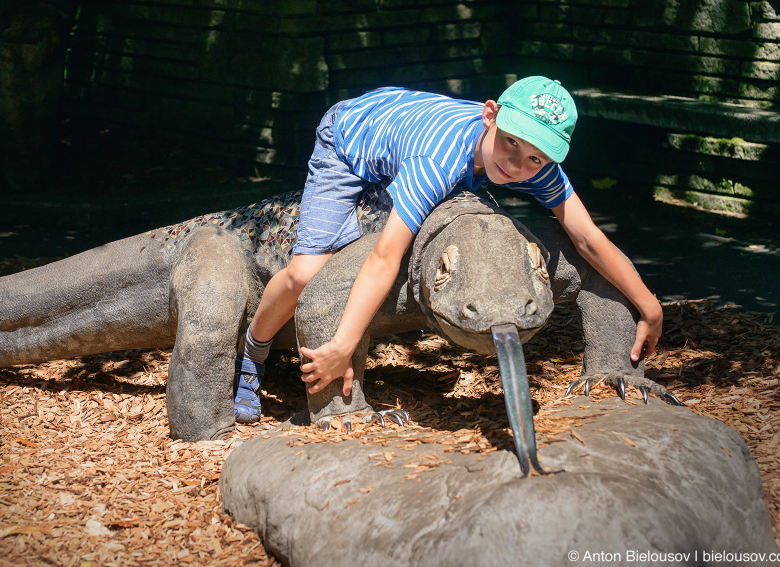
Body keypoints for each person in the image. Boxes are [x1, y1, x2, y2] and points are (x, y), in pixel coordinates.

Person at [232, 77, 663, 423]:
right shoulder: (437, 162)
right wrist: (343, 344)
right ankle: (253, 353)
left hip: (410, 121)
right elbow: (385, 258)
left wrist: (649, 305)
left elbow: (588, 240)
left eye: (535, 158)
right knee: (310, 273)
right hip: (351, 137)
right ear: (490, 115)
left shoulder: (533, 164)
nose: (516, 166)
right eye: (511, 142)